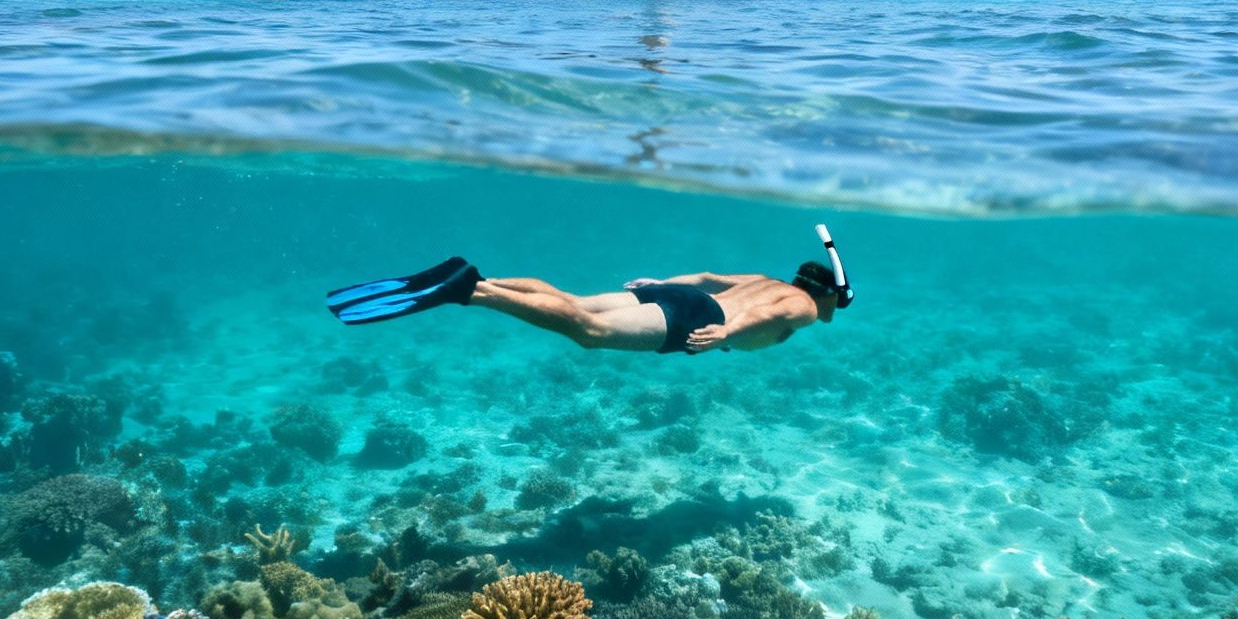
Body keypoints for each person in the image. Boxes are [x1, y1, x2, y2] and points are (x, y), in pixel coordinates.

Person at [327, 247, 851, 356]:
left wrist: (658, 279)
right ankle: (473, 292)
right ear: (826, 294)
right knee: (588, 332)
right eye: (837, 305)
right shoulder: (802, 305)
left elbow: (709, 274)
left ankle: (477, 276)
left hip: (680, 295)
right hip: (699, 318)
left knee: (575, 300)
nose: (831, 315)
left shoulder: (762, 276)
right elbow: (770, 315)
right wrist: (727, 334)